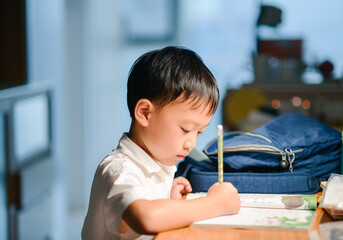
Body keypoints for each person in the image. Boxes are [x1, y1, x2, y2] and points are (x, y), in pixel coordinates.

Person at [81, 46, 241, 240]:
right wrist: (215, 204)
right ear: (145, 113)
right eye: (185, 129)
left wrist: (169, 199)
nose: (191, 143)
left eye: (199, 133)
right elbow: (147, 217)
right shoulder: (119, 169)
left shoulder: (157, 162)